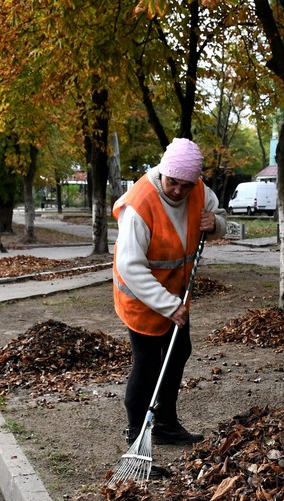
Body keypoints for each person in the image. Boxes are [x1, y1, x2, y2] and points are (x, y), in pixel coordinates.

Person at [112, 138, 227, 446]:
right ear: (162, 171)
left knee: (178, 353)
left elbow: (220, 219)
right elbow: (130, 267)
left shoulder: (199, 191)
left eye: (185, 185)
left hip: (176, 294)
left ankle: (164, 424)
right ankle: (137, 431)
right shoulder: (139, 205)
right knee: (148, 361)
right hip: (141, 297)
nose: (178, 191)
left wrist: (215, 224)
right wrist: (167, 305)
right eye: (172, 182)